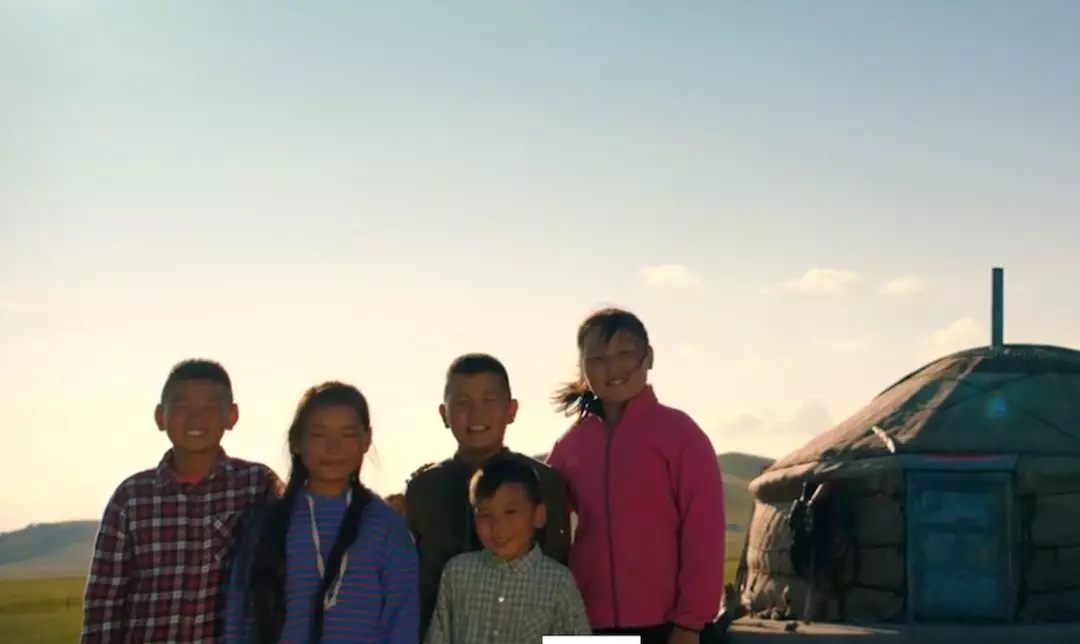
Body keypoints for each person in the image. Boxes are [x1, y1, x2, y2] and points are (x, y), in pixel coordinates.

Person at [547, 308, 727, 644]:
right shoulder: (571, 445)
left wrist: (690, 623)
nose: (613, 367)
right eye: (598, 358)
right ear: (583, 368)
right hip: (583, 621)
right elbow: (537, 517)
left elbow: (704, 532)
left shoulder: (680, 435)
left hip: (666, 625)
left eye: (625, 354)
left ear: (649, 357)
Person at [81, 359, 283, 644]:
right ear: (160, 417)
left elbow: (284, 578)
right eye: (182, 406)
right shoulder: (132, 498)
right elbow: (105, 599)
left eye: (210, 406)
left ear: (232, 416)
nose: (196, 418)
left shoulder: (257, 485)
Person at [224, 381, 419, 644]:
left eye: (347, 435)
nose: (333, 447)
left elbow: (402, 618)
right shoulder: (267, 523)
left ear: (367, 439)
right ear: (296, 440)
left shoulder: (386, 526)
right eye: (319, 435)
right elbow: (238, 615)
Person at [405, 353, 572, 639]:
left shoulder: (544, 482)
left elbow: (559, 567)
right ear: (444, 414)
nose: (476, 413)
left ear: (511, 410)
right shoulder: (424, 488)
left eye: (489, 401)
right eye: (463, 402)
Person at [425, 458, 592, 643]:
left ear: (539, 515)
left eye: (511, 512)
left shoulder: (558, 582)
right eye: (485, 515)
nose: (498, 527)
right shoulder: (457, 573)